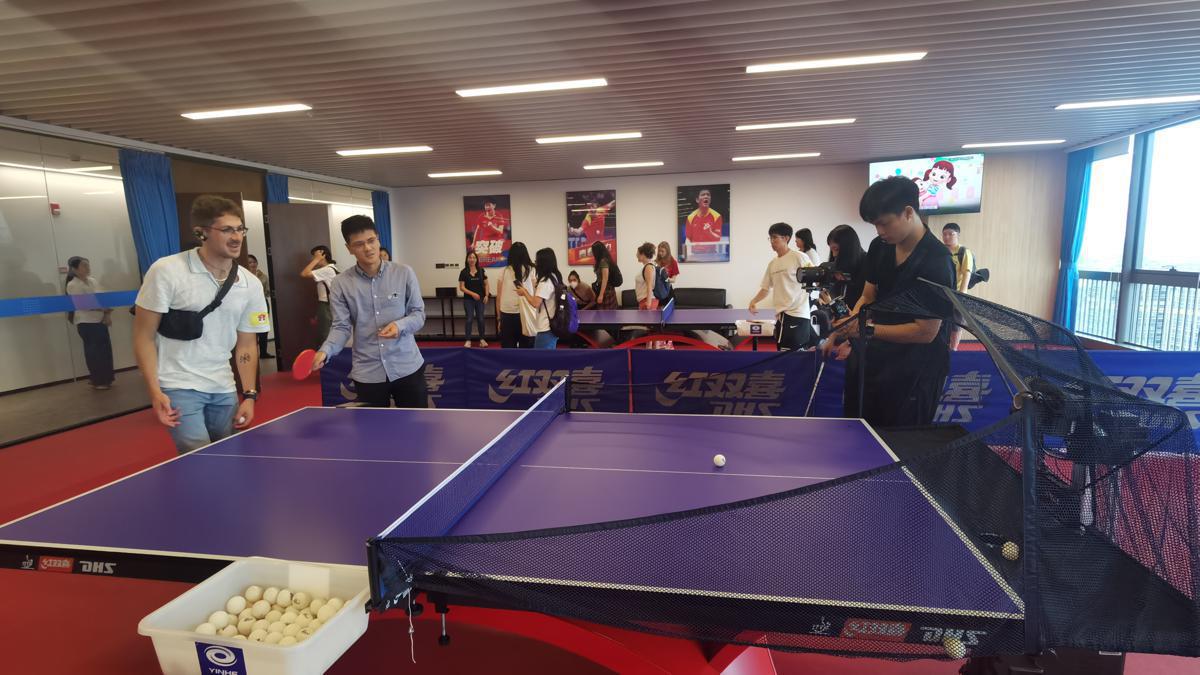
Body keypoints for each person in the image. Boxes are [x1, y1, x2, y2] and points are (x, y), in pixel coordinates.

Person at [133, 195, 268, 453]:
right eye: (226, 230)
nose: (236, 237)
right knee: (198, 456)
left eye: (240, 229)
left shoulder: (250, 283)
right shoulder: (167, 271)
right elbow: (143, 336)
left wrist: (250, 395)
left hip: (223, 385)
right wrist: (154, 391)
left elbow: (247, 345)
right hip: (178, 384)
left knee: (228, 454)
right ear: (201, 233)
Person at [823, 176, 955, 427]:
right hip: (874, 359)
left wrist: (866, 329)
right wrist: (852, 323)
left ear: (908, 212)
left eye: (884, 223)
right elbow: (867, 295)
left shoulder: (937, 260)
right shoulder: (880, 246)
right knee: (858, 430)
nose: (879, 231)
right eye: (875, 225)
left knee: (899, 441)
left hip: (916, 371)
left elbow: (925, 332)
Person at [311, 215, 427, 408]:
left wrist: (399, 326)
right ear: (349, 248)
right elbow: (341, 327)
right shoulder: (340, 283)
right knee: (372, 427)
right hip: (368, 372)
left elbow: (418, 314)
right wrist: (325, 351)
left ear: (378, 239)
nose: (368, 248)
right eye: (359, 244)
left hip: (407, 366)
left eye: (371, 240)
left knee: (416, 425)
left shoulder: (404, 273)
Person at [748, 223, 812, 351]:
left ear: (786, 238)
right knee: (782, 352)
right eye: (770, 238)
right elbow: (766, 288)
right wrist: (753, 301)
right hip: (780, 316)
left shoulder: (799, 257)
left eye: (775, 237)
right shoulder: (773, 263)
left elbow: (814, 279)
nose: (772, 241)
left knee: (795, 355)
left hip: (797, 314)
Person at [65, 256, 114, 389]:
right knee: (94, 353)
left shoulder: (92, 281)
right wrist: (103, 309)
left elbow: (103, 297)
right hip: (86, 322)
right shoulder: (73, 284)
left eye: (88, 265)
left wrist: (107, 314)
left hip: (100, 320)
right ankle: (98, 380)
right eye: (84, 265)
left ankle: (107, 378)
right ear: (74, 269)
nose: (88, 268)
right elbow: (83, 304)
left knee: (105, 350)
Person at [514, 247, 563, 349]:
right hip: (553, 325)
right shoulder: (554, 277)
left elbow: (535, 303)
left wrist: (524, 292)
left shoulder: (545, 281)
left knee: (541, 357)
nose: (535, 264)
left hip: (546, 327)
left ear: (542, 263)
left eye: (537, 261)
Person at [942, 222, 975, 350]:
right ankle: (943, 348)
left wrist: (961, 295)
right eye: (944, 234)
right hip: (942, 293)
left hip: (957, 294)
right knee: (942, 322)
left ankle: (954, 349)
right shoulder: (941, 251)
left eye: (951, 234)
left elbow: (967, 273)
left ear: (957, 235)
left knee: (956, 324)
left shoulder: (963, 252)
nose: (947, 237)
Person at [495, 241, 534, 348]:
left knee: (508, 348)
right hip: (526, 313)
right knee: (526, 347)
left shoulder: (503, 271)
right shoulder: (531, 270)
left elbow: (498, 297)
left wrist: (499, 319)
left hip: (507, 314)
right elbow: (535, 295)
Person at [300, 245, 338, 347]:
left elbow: (304, 273)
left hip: (326, 306)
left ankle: (326, 355)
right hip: (328, 305)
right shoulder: (331, 268)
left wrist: (316, 260)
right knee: (325, 332)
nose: (313, 258)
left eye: (315, 256)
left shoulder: (327, 270)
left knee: (325, 334)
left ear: (323, 255)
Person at [826, 225, 868, 309]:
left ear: (848, 247)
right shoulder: (838, 265)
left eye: (836, 249)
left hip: (859, 312)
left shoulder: (867, 262)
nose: (834, 255)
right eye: (831, 250)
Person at [459, 250, 489, 348]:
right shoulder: (463, 272)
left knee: (481, 319)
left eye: (474, 257)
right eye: (470, 257)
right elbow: (462, 287)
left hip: (480, 300)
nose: (472, 259)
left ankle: (482, 340)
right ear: (467, 259)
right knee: (469, 319)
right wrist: (473, 294)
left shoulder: (481, 271)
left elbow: (486, 284)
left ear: (476, 259)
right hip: (468, 300)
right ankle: (468, 340)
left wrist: (486, 295)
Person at [246, 254, 273, 358]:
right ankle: (252, 353)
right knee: (251, 330)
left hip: (261, 304)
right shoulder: (244, 276)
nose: (252, 264)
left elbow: (268, 291)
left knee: (262, 329)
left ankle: (263, 352)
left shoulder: (263, 276)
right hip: (249, 306)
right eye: (250, 262)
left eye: (254, 262)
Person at [469, 197, 508, 266]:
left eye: (489, 205)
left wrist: (492, 226)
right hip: (485, 243)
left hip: (496, 243)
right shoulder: (481, 216)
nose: (487, 207)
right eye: (486, 205)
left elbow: (500, 231)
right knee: (484, 260)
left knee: (497, 261)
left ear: (494, 206)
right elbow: (477, 231)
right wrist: (473, 243)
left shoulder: (499, 215)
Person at [590, 241, 621, 310]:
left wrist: (601, 295)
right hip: (608, 289)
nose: (593, 253)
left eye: (594, 251)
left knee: (605, 313)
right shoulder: (605, 260)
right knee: (608, 313)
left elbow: (605, 279)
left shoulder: (603, 261)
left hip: (606, 291)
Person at [634, 242, 659, 310]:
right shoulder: (647, 266)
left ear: (643, 255)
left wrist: (648, 303)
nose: (636, 255)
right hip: (644, 300)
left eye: (638, 253)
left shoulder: (648, 267)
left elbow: (649, 286)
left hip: (647, 301)